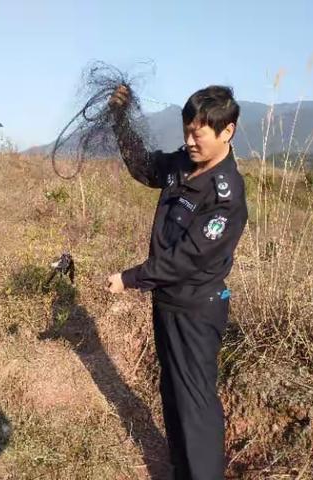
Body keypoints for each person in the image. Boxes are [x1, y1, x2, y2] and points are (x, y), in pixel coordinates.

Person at [107, 85, 248, 480]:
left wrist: (129, 278)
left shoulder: (226, 197)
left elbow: (186, 259)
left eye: (198, 134)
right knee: (173, 396)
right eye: (186, 131)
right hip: (167, 303)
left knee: (196, 407)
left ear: (227, 132)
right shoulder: (182, 165)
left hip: (197, 311)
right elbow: (142, 165)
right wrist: (120, 120)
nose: (188, 142)